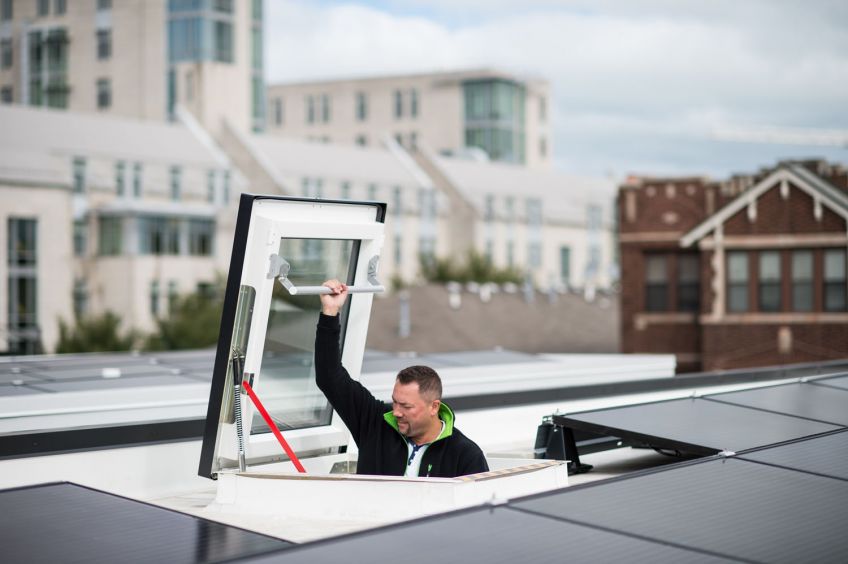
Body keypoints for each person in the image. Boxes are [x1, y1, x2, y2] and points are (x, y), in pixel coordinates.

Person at [315, 279, 489, 478]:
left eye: (406, 406)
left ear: (434, 407)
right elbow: (329, 377)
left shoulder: (465, 456)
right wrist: (330, 311)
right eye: (395, 402)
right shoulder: (374, 423)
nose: (396, 412)